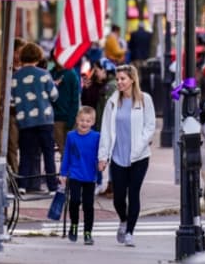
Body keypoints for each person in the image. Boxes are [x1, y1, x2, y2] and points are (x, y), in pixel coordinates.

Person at [97, 64, 156, 248]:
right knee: (118, 198)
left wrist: (139, 147)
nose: (119, 82)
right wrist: (103, 156)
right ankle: (123, 219)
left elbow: (150, 126)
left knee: (134, 193)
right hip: (118, 157)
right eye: (118, 78)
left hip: (139, 157)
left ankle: (130, 231)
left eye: (123, 79)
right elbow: (106, 130)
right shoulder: (113, 102)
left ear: (132, 79)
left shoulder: (145, 99)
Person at [12, 42, 59, 193]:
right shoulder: (44, 75)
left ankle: (22, 185)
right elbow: (54, 96)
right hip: (45, 119)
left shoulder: (15, 77)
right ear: (38, 57)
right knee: (48, 153)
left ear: (22, 57)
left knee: (26, 153)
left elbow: (11, 101)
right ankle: (52, 186)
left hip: (25, 121)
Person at [59, 106, 101, 246]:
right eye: (82, 120)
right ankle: (74, 225)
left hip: (90, 176)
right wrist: (63, 173)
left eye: (88, 121)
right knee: (75, 201)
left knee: (88, 205)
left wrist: (99, 175)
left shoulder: (96, 137)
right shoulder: (71, 136)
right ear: (77, 120)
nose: (84, 123)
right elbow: (66, 156)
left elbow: (99, 157)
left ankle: (88, 232)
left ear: (93, 122)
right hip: (75, 175)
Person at [50, 61, 80, 160]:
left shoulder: (71, 74)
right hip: (56, 118)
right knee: (63, 150)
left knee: (72, 151)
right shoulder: (50, 73)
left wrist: (72, 119)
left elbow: (75, 99)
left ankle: (71, 174)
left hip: (69, 117)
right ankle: (65, 174)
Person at [6, 37, 26, 180]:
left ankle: (26, 175)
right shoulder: (7, 69)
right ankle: (16, 175)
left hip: (27, 114)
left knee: (26, 147)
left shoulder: (28, 70)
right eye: (18, 52)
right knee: (12, 146)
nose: (20, 56)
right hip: (12, 113)